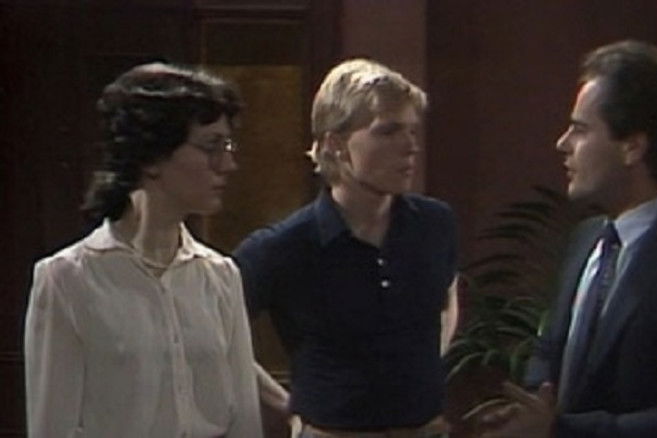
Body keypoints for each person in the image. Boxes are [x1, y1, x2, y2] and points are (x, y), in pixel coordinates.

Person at [480, 40, 657, 437]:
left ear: (633, 147)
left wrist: (562, 430)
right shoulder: (586, 239)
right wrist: (527, 409)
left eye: (580, 130)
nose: (562, 144)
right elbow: (550, 351)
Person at [24, 63, 263, 438]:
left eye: (228, 146)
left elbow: (244, 420)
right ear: (152, 157)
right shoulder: (67, 279)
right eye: (211, 147)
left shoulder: (220, 276)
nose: (228, 165)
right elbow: (52, 427)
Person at [234, 58, 459, 438]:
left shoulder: (434, 224)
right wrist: (288, 404)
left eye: (412, 131)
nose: (410, 146)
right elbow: (217, 334)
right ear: (335, 144)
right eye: (388, 131)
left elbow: (447, 296)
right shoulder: (285, 246)